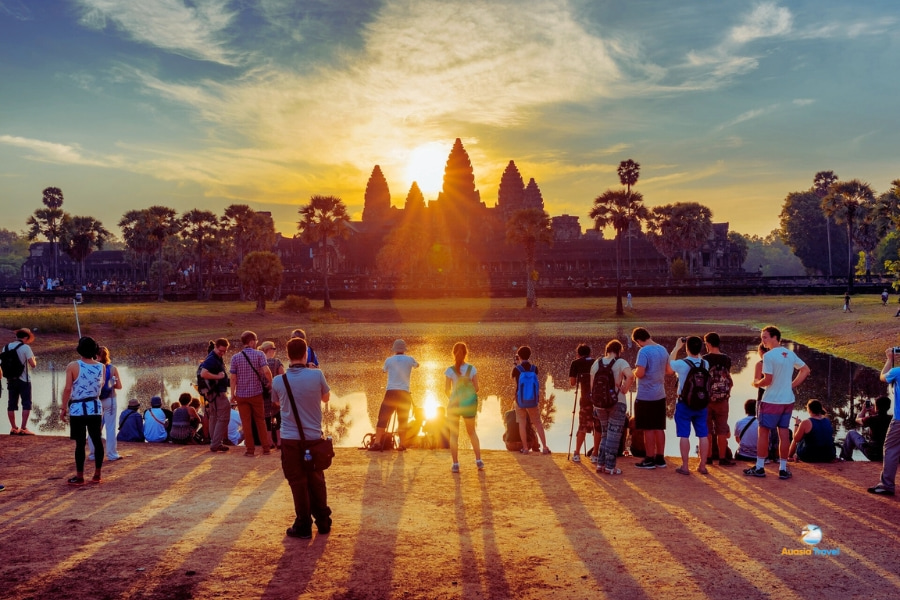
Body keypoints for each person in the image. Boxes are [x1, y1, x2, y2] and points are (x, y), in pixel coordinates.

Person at [272, 336, 332, 539]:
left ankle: (303, 525)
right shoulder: (317, 375)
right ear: (306, 353)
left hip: (290, 439)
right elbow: (326, 398)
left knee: (297, 482)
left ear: (288, 356)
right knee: (317, 479)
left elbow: (277, 404)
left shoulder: (279, 380)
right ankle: (323, 521)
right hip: (314, 437)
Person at [748, 325, 811, 480]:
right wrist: (791, 385)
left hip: (771, 400)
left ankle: (760, 467)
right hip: (787, 399)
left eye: (765, 337)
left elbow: (768, 380)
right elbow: (806, 370)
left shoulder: (768, 356)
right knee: (783, 433)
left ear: (775, 337)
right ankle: (782, 469)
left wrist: (756, 383)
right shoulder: (789, 354)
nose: (762, 340)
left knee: (763, 433)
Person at [60, 336, 105, 485]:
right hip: (94, 408)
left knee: (80, 444)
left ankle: (79, 477)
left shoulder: (73, 366)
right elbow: (100, 385)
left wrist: (63, 407)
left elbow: (68, 389)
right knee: (97, 441)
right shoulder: (101, 366)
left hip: (78, 410)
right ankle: (97, 474)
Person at [631, 328, 673, 469]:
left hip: (645, 396)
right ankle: (660, 458)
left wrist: (634, 372)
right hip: (660, 394)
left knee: (648, 428)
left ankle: (649, 458)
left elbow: (641, 373)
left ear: (638, 340)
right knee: (659, 427)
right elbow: (669, 371)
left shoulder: (643, 351)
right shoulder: (662, 349)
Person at [590, 340, 633, 475]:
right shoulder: (621, 362)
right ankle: (610, 467)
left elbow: (592, 387)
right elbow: (631, 376)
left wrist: (597, 402)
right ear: (619, 351)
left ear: (606, 350)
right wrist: (624, 389)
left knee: (605, 434)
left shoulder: (596, 363)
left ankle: (600, 464)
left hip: (599, 404)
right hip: (617, 402)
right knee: (614, 436)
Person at [669, 336, 710, 475]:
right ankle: (702, 465)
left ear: (687, 348)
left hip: (684, 403)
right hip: (701, 403)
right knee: (703, 435)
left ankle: (685, 466)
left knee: (684, 435)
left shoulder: (682, 364)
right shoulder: (705, 364)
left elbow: (669, 366)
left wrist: (676, 347)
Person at [370, 339, 419, 452]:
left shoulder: (389, 360)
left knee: (382, 418)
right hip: (404, 393)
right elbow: (417, 365)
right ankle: (401, 445)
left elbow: (384, 371)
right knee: (403, 419)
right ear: (404, 349)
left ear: (394, 349)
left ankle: (377, 442)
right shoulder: (410, 359)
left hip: (391, 392)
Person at [229, 331, 273, 457]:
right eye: (256, 341)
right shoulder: (259, 354)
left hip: (241, 395)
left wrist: (233, 394)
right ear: (252, 342)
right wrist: (271, 383)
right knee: (260, 420)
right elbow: (267, 371)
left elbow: (233, 378)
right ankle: (265, 448)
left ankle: (250, 450)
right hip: (256, 394)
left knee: (246, 423)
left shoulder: (235, 357)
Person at [445, 342, 484, 472]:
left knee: (454, 435)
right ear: (466, 353)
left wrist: (454, 399)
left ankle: (455, 464)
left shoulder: (450, 370)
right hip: (468, 405)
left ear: (453, 353)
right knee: (472, 432)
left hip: (454, 405)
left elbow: (446, 390)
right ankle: (478, 461)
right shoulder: (472, 369)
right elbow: (477, 388)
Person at [869, 348, 900, 496]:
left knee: (891, 448)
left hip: (899, 419)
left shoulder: (897, 371)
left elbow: (883, 377)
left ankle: (887, 485)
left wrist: (889, 358)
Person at [703, 332, 734, 466]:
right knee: (722, 429)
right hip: (723, 400)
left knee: (707, 430)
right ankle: (722, 458)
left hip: (707, 400)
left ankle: (708, 458)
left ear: (708, 344)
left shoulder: (704, 359)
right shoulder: (726, 359)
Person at [512, 346, 550, 455]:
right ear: (529, 355)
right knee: (538, 423)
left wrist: (516, 364)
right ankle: (545, 447)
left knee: (522, 423)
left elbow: (513, 379)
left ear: (519, 356)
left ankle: (525, 448)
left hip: (520, 400)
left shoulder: (517, 369)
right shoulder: (534, 368)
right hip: (532, 399)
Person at [87, 346, 123, 462]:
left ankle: (93, 454)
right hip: (110, 400)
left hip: (95, 401)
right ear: (107, 355)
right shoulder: (112, 368)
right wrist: (111, 383)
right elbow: (119, 386)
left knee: (94, 428)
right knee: (110, 428)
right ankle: (112, 454)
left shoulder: (90, 368)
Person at [199, 339, 231, 453]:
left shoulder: (215, 356)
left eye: (225, 351)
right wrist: (219, 377)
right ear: (216, 347)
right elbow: (203, 373)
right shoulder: (212, 358)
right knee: (224, 417)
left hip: (213, 393)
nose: (222, 353)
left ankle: (215, 442)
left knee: (214, 417)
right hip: (218, 393)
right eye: (221, 350)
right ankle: (216, 444)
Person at [5, 328, 38, 435]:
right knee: (26, 403)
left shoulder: (6, 347)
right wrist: (34, 359)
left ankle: (13, 428)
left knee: (11, 404)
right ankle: (23, 428)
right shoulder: (25, 347)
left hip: (11, 379)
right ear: (25, 338)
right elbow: (33, 365)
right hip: (24, 380)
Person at [568, 344, 597, 464]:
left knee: (583, 426)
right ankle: (596, 454)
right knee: (598, 427)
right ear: (590, 353)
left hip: (584, 399)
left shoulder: (575, 363)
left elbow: (572, 383)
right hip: (598, 399)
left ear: (578, 354)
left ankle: (576, 453)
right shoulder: (597, 362)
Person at [841, 396, 891, 461]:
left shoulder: (871, 419)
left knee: (851, 433)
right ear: (889, 407)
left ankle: (846, 457)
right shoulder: (892, 419)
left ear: (876, 407)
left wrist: (863, 410)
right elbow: (881, 419)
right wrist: (874, 413)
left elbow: (857, 419)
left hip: (873, 454)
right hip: (888, 454)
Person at [260, 341, 285, 449]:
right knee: (279, 417)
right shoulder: (277, 362)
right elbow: (283, 377)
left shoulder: (259, 363)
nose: (275, 351)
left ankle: (269, 442)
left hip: (264, 394)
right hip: (276, 394)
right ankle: (279, 441)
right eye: (274, 349)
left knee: (266, 418)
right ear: (269, 350)